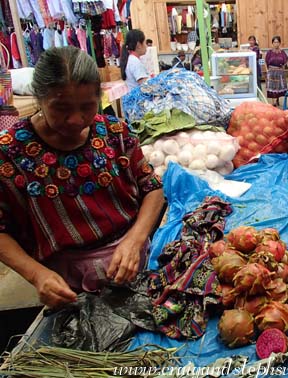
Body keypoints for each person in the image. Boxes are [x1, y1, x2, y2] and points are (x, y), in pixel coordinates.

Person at [0, 46, 165, 309]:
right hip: (68, 286)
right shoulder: (11, 153)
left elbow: (152, 188)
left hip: (136, 265)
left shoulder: (114, 132)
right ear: (40, 99)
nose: (76, 119)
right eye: (61, 108)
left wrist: (136, 239)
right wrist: (36, 274)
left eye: (87, 106)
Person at [265, 35, 288, 107]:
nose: (276, 44)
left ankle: (277, 99)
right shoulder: (269, 52)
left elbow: (285, 60)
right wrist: (267, 71)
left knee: (278, 87)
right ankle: (273, 102)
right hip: (271, 71)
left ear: (279, 43)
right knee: (272, 87)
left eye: (277, 42)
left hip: (279, 72)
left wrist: (283, 68)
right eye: (274, 42)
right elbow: (266, 62)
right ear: (272, 43)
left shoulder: (282, 52)